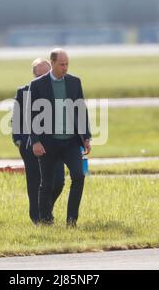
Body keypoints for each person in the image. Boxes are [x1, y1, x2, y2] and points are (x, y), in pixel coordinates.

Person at [28, 48, 91, 227]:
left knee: (78, 176)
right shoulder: (38, 85)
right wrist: (36, 141)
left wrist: (86, 137)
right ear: (53, 63)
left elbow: (81, 110)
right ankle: (46, 221)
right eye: (61, 64)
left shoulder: (74, 82)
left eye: (67, 64)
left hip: (71, 141)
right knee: (47, 184)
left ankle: (72, 221)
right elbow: (31, 115)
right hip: (48, 142)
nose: (65, 68)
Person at [12, 58, 65, 225]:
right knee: (35, 182)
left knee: (58, 181)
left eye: (46, 75)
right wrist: (19, 140)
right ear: (33, 76)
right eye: (39, 75)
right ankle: (37, 218)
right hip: (31, 144)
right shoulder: (23, 92)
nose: (43, 79)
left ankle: (45, 209)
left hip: (55, 143)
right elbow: (17, 118)